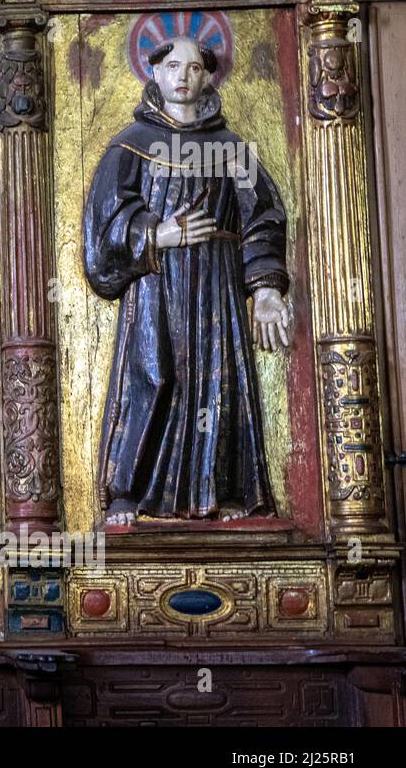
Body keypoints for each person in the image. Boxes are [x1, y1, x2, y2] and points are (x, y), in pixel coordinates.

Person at [83, 36, 291, 525]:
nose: (183, 76)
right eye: (172, 65)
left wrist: (264, 288)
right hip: (156, 283)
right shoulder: (130, 145)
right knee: (153, 376)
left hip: (217, 284)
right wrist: (158, 233)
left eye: (194, 68)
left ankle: (225, 492)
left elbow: (262, 214)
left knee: (219, 378)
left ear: (207, 78)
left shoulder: (231, 148)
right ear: (153, 73)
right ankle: (126, 493)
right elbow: (103, 222)